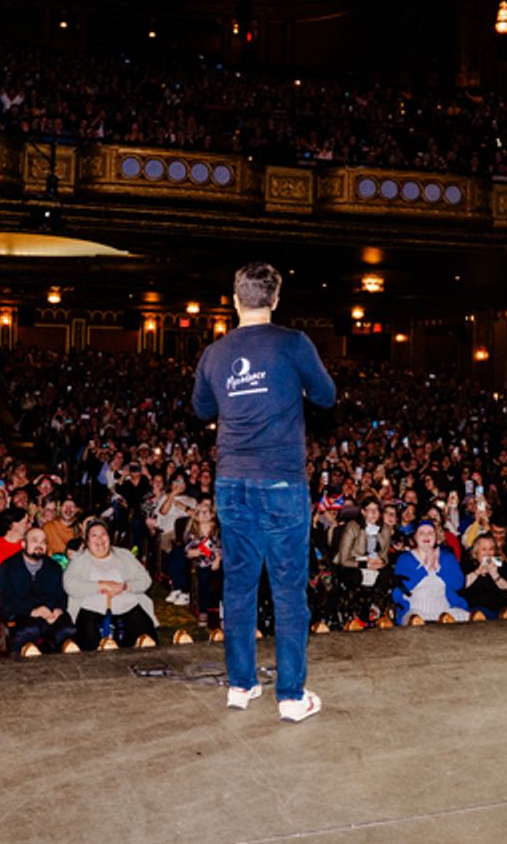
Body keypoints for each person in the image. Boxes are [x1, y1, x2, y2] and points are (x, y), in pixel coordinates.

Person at [192, 261, 335, 722]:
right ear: (275, 300)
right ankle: (291, 697)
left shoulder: (214, 354)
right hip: (281, 482)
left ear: (234, 300)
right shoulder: (293, 344)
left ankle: (240, 685)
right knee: (289, 591)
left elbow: (201, 408)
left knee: (238, 587)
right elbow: (327, 396)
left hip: (233, 481)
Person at [62, 521, 158, 650]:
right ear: (87, 541)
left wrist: (124, 586)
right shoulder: (79, 559)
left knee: (145, 636)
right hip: (90, 607)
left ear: (109, 537)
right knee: (89, 637)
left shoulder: (124, 555)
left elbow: (145, 580)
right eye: (94, 535)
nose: (100, 539)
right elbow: (69, 584)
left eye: (103, 534)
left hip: (127, 603)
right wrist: (102, 585)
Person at [0, 527, 75, 653]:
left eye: (43, 542)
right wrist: (33, 610)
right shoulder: (8, 567)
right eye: (34, 540)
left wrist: (57, 609)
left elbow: (61, 595)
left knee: (67, 631)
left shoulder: (53, 567)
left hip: (50, 614)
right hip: (21, 613)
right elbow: (4, 601)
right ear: (23, 544)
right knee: (30, 631)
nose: (39, 545)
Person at [392, 520, 469, 624]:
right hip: (415, 611)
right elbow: (397, 594)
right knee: (414, 620)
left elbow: (459, 584)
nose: (426, 536)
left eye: (430, 532)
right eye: (421, 533)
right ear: (414, 537)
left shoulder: (447, 557)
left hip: (444, 610)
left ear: (436, 537)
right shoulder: (405, 559)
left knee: (469, 618)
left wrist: (440, 569)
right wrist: (424, 569)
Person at [333, 496, 394, 625]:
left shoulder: (386, 529)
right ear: (363, 512)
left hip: (375, 562)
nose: (373, 513)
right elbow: (344, 559)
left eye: (376, 510)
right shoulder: (352, 527)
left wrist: (381, 562)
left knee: (387, 574)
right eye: (370, 510)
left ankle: (376, 607)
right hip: (353, 562)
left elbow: (385, 555)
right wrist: (364, 564)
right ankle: (355, 613)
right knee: (354, 576)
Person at [459, 531, 507, 616]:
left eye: (491, 549)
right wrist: (477, 572)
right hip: (476, 608)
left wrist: (495, 574)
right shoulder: (468, 563)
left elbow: (506, 587)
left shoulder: (498, 562)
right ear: (476, 551)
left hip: (498, 607)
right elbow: (462, 585)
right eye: (484, 549)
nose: (488, 553)